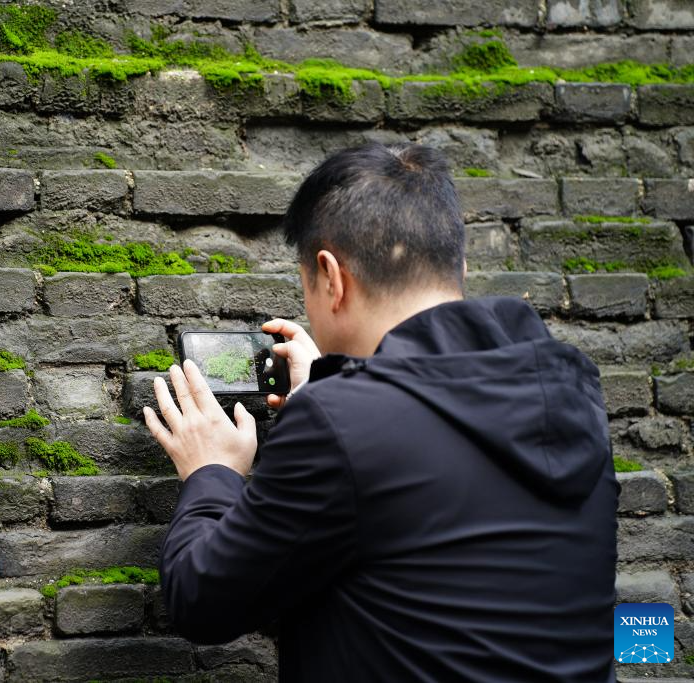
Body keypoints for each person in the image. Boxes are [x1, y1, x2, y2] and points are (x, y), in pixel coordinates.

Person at [142, 143, 618, 682]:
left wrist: (212, 473)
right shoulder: (571, 393)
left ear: (330, 277)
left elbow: (202, 599)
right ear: (457, 266)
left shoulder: (342, 421)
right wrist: (336, 387)